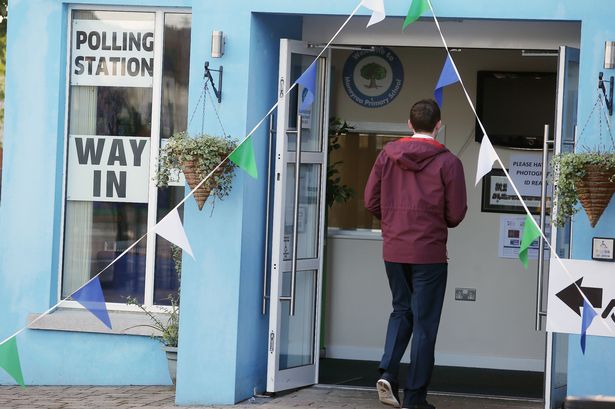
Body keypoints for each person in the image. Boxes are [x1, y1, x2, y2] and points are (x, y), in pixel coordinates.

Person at [364, 99, 467, 409]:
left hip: (394, 249)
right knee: (424, 323)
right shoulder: (449, 162)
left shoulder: (387, 155)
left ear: (409, 124)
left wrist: (395, 222)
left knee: (401, 309)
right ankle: (415, 398)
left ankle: (387, 371)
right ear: (438, 124)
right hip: (429, 253)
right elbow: (456, 213)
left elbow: (371, 201)